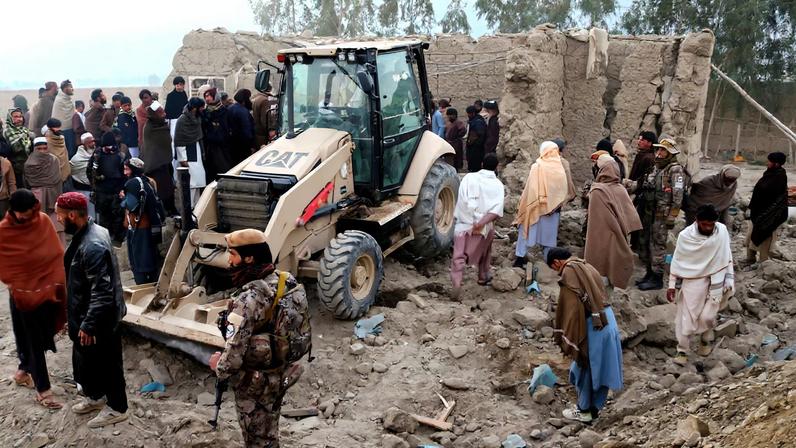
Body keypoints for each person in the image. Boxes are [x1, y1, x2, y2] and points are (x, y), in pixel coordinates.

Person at [208, 229, 311, 448]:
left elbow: (233, 356)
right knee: (269, 430)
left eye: (233, 255)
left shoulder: (248, 299)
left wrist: (219, 366)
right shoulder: (287, 281)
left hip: (254, 384)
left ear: (249, 258)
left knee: (256, 438)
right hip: (281, 374)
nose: (229, 261)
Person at [56, 192, 128, 428]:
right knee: (88, 360)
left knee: (108, 362)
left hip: (100, 317)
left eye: (60, 215)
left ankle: (117, 408)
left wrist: (89, 324)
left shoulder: (92, 245)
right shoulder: (88, 232)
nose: (58, 219)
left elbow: (102, 291)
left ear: (73, 215)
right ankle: (96, 397)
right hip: (86, 312)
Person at [0, 189, 67, 410]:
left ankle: (23, 371)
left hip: (44, 291)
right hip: (21, 293)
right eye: (18, 213)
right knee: (31, 338)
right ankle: (43, 390)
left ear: (34, 208)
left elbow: (54, 253)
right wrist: (19, 281)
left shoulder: (43, 221)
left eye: (26, 213)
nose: (22, 217)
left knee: (32, 335)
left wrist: (51, 281)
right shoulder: (5, 230)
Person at [547, 247, 623, 424]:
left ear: (556, 262)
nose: (557, 271)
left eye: (554, 268)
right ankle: (593, 410)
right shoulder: (586, 265)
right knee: (599, 368)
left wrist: (570, 338)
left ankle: (583, 411)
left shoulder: (569, 271)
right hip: (608, 321)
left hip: (594, 326)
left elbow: (573, 311)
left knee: (584, 366)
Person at [667, 204, 734, 365]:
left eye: (711, 224)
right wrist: (671, 285)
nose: (708, 227)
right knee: (687, 317)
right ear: (697, 221)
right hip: (693, 279)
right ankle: (682, 350)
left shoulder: (722, 231)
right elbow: (677, 260)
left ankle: (706, 339)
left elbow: (727, 255)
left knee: (708, 316)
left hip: (717, 280)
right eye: (704, 224)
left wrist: (729, 278)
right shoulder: (685, 236)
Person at [625, 137, 688, 290]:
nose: (659, 153)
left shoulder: (675, 170)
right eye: (658, 149)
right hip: (648, 211)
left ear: (670, 153)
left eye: (663, 150)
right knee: (645, 242)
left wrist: (672, 216)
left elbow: (678, 196)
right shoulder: (655, 167)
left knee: (657, 245)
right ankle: (648, 273)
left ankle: (657, 278)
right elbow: (643, 184)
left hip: (662, 214)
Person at [450, 153, 505, 299]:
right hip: (484, 228)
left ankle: (456, 283)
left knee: (458, 256)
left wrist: (470, 218)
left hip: (463, 225)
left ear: (482, 164)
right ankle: (483, 275)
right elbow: (495, 211)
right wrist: (480, 222)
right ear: (496, 167)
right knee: (485, 251)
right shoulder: (498, 185)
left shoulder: (469, 178)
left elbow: (462, 198)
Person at [584, 154, 643, 290]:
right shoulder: (620, 188)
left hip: (601, 239)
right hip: (619, 237)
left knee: (599, 273)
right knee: (611, 269)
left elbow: (595, 225)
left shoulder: (598, 191)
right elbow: (630, 218)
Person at [513, 141, 569, 268]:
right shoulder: (560, 169)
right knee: (548, 238)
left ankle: (520, 258)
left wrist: (528, 203)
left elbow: (530, 190)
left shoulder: (537, 167)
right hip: (552, 211)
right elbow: (562, 192)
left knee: (526, 231)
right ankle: (550, 263)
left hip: (535, 208)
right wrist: (553, 206)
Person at [120, 158, 164, 284]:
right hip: (151, 227)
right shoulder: (149, 181)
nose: (125, 173)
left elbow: (131, 205)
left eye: (127, 169)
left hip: (139, 228)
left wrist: (123, 198)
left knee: (140, 262)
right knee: (151, 259)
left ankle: (142, 288)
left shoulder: (133, 183)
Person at [746, 152, 789, 264]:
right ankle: (750, 259)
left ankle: (763, 263)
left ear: (776, 164)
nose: (767, 163)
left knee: (765, 238)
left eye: (770, 161)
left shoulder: (779, 177)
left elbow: (774, 197)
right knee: (751, 236)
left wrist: (766, 214)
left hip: (769, 214)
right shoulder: (769, 174)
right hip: (758, 212)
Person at [90, 133, 127, 244]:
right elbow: (90, 172)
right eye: (106, 146)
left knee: (118, 216)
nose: (109, 148)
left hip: (116, 190)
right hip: (102, 191)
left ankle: (118, 239)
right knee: (103, 217)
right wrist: (96, 181)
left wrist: (123, 188)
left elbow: (125, 173)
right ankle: (104, 239)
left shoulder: (120, 155)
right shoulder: (97, 155)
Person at [141, 101, 177, 216]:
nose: (165, 114)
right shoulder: (151, 127)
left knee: (168, 188)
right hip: (156, 165)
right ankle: (166, 212)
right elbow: (159, 143)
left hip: (163, 163)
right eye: (161, 112)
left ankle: (170, 210)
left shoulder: (159, 124)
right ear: (155, 114)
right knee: (163, 190)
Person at [174, 97, 207, 206]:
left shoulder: (196, 117)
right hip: (187, 154)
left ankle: (197, 205)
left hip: (196, 150)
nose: (203, 109)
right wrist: (183, 159)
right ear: (194, 108)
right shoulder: (182, 120)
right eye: (201, 107)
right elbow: (179, 140)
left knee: (198, 181)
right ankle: (190, 207)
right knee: (192, 182)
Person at [202, 87, 233, 182]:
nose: (207, 98)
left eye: (209, 96)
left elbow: (227, 128)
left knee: (223, 169)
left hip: (222, 146)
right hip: (209, 146)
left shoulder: (224, 111)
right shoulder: (205, 112)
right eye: (205, 96)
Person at [4, 108, 33, 188]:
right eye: (15, 117)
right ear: (10, 118)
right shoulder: (6, 132)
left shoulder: (25, 131)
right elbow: (15, 148)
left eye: (20, 116)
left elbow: (30, 149)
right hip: (14, 168)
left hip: (27, 167)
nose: (19, 119)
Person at [70, 133, 97, 219]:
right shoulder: (76, 159)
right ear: (84, 144)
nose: (93, 143)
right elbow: (72, 172)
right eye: (89, 142)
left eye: (93, 141)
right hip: (83, 190)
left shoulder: (98, 154)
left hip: (97, 190)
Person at [228, 89, 256, 165]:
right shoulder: (243, 111)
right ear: (245, 99)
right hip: (243, 145)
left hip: (232, 143)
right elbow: (247, 130)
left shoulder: (230, 108)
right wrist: (252, 145)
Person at [43, 118, 71, 187]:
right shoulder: (46, 140)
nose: (58, 129)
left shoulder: (62, 138)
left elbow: (65, 154)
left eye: (59, 127)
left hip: (64, 168)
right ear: (49, 127)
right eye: (56, 127)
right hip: (53, 172)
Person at [52, 80, 76, 157]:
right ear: (65, 89)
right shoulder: (60, 100)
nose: (73, 89)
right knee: (69, 152)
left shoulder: (67, 99)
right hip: (64, 130)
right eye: (71, 87)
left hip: (69, 129)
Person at [553, 138, 577, 204]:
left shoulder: (544, 161)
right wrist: (571, 193)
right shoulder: (563, 162)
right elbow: (568, 181)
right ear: (562, 149)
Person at [465, 105, 487, 172]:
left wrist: (472, 142)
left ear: (473, 113)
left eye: (469, 113)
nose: (468, 115)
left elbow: (479, 134)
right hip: (473, 147)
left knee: (475, 166)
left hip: (476, 148)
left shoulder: (478, 122)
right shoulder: (474, 120)